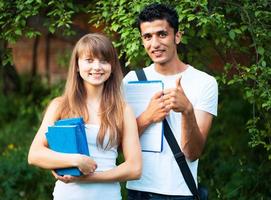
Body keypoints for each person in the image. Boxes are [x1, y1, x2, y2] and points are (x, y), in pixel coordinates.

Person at [28, 33, 142, 200]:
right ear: (77, 65)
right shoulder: (60, 106)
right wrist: (76, 160)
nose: (97, 67)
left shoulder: (123, 110)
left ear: (112, 67)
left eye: (104, 61)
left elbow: (135, 168)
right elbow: (35, 154)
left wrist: (89, 177)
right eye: (89, 60)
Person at [123, 3, 218, 200]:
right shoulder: (131, 80)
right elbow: (117, 142)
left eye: (162, 34)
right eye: (147, 37)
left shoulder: (205, 82)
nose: (155, 44)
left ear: (177, 36)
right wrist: (148, 117)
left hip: (182, 193)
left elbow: (193, 153)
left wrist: (187, 110)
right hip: (140, 191)